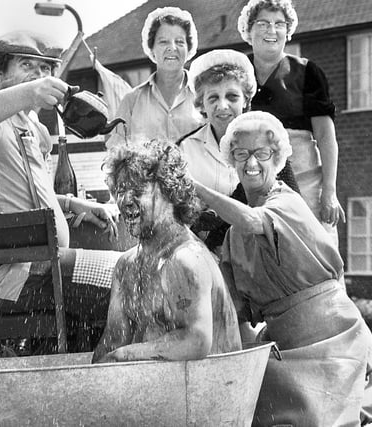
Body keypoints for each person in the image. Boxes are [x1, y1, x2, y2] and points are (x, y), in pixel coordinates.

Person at [0, 31, 124, 346]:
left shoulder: (36, 131)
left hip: (38, 269)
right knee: (130, 278)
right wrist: (32, 91)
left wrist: (72, 204)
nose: (39, 76)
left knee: (134, 274)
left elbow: (18, 200)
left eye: (45, 69)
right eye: (27, 65)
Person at [194, 111, 372, 426]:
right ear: (231, 160)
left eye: (262, 153)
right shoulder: (233, 237)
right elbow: (236, 311)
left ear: (277, 159)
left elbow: (251, 221)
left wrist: (194, 188)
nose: (251, 162)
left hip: (334, 340)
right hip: (287, 348)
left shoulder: (285, 202)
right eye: (241, 154)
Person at [92, 140, 241, 363]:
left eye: (138, 190)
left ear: (169, 191)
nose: (125, 201)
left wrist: (125, 355)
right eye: (120, 190)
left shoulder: (185, 259)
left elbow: (196, 341)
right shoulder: (127, 265)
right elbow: (114, 340)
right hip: (167, 389)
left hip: (212, 387)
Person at [238, 0, 345, 240]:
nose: (271, 30)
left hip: (303, 178)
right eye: (263, 23)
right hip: (249, 179)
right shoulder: (238, 72)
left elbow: (326, 137)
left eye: (279, 24)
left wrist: (329, 191)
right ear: (248, 29)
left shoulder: (308, 72)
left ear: (289, 31)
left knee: (314, 247)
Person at [179, 48, 298, 253]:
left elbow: (291, 208)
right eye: (213, 98)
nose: (222, 106)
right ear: (201, 104)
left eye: (232, 96)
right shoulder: (184, 149)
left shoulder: (270, 143)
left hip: (260, 256)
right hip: (200, 256)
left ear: (246, 100)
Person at [106, 6, 202, 149]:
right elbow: (116, 153)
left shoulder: (204, 95)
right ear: (151, 49)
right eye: (163, 42)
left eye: (180, 41)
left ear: (189, 48)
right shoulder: (131, 101)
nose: (172, 47)